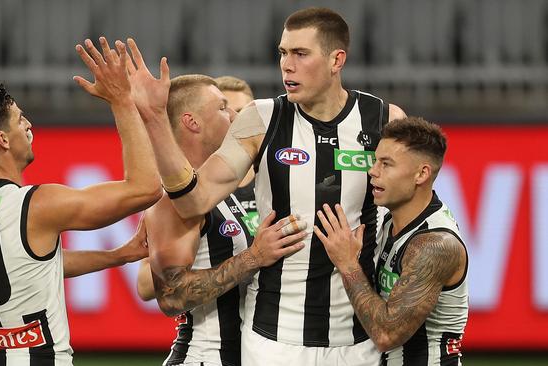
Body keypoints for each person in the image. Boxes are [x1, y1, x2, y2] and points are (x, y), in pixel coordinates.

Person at [126, 7, 406, 366]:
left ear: (337, 59)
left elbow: (414, 207)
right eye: (282, 53)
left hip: (358, 339)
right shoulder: (261, 118)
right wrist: (153, 120)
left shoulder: (384, 119)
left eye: (300, 54)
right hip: (273, 340)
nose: (286, 65)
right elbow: (193, 200)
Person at [0, 37, 161, 365]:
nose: (28, 125)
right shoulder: (37, 205)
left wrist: (118, 256)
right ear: (2, 140)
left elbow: (28, 263)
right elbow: (145, 188)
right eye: (19, 120)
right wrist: (122, 100)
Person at [136, 74, 307, 366]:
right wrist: (254, 257)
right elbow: (171, 296)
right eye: (223, 107)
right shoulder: (173, 202)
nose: (234, 117)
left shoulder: (216, 190)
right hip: (205, 356)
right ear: (193, 122)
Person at [313, 117, 468, 365]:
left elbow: (387, 335)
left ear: (421, 174)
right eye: (376, 161)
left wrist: (348, 264)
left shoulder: (434, 244)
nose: (373, 171)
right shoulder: (388, 221)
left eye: (386, 164)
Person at [214, 76, 258, 234]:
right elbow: (152, 258)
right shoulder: (194, 185)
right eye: (224, 112)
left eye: (241, 112)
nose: (233, 120)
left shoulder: (277, 174)